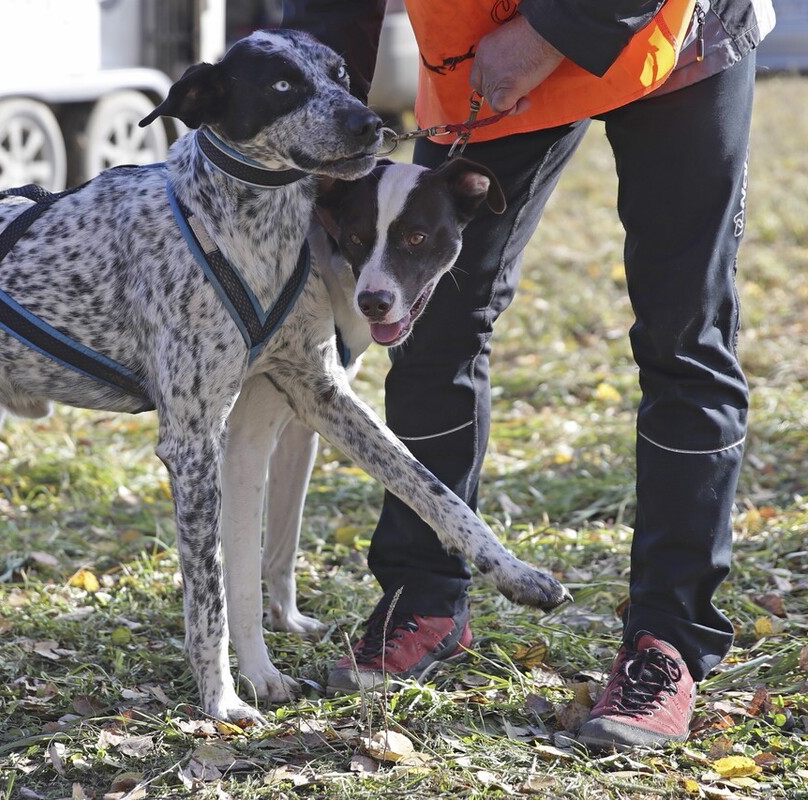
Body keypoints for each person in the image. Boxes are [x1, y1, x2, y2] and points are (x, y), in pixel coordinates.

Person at [282, 0, 775, 750]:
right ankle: (426, 596)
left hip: (674, 36)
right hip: (484, 55)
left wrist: (548, 34)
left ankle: (668, 640)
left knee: (685, 338)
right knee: (430, 323)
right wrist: (312, 111)